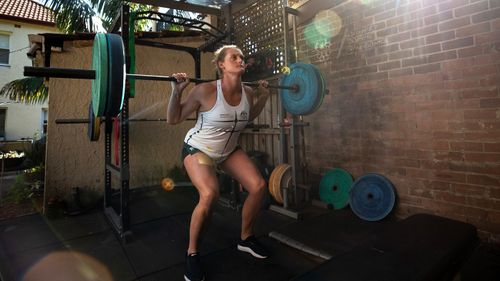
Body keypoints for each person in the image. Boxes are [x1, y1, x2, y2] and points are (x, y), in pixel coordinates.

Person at [167, 45, 271, 281]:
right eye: (234, 57)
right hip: (199, 149)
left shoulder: (248, 92)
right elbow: (173, 119)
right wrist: (176, 92)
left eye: (242, 57)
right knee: (210, 194)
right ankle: (192, 253)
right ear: (221, 65)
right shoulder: (204, 91)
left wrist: (263, 97)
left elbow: (248, 115)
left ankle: (245, 238)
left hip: (228, 151)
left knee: (258, 186)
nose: (240, 59)